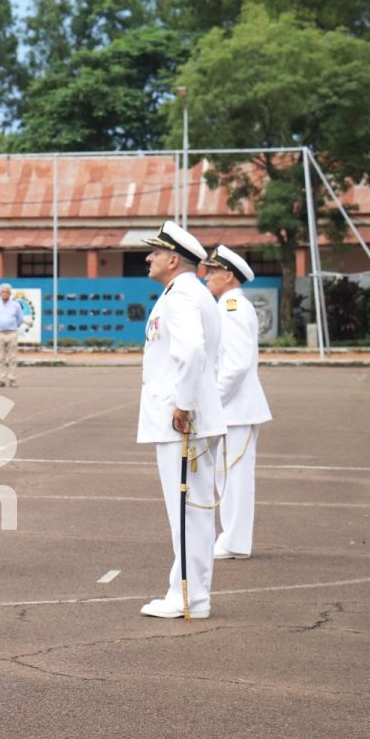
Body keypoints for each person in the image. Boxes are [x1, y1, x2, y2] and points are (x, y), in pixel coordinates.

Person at [137, 220, 226, 619]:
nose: (148, 257)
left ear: (174, 259)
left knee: (187, 511)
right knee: (191, 510)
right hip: (185, 416)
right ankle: (186, 592)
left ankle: (189, 597)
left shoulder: (183, 295)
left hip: (182, 420)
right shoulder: (187, 292)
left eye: (155, 252)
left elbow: (191, 351)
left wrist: (183, 405)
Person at [202, 245, 272, 561]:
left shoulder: (231, 306)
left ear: (228, 275)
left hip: (235, 409)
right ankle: (231, 537)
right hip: (233, 409)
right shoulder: (229, 305)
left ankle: (234, 540)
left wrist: (213, 401)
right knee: (226, 475)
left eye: (212, 272)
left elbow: (237, 364)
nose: (206, 277)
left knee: (234, 476)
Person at [0, 283, 26, 387]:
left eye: (7, 292)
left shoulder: (16, 305)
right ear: (0, 293)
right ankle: (1, 380)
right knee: (0, 358)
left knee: (12, 358)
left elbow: (20, 319)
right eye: (3, 292)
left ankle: (12, 379)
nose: (5, 294)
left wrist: (14, 326)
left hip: (12, 333)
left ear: (10, 293)